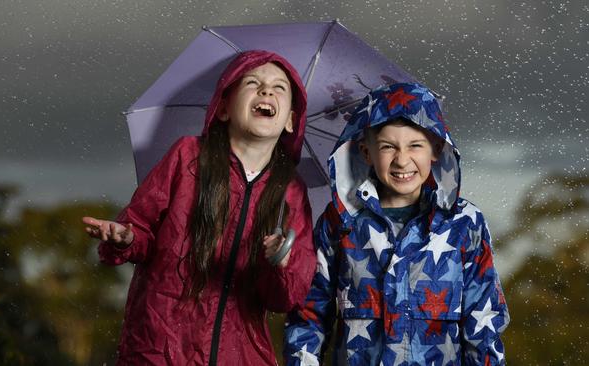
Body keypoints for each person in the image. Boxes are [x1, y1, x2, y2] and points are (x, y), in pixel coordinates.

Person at [82, 50, 316, 365]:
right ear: (222, 107)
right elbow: (141, 228)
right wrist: (127, 237)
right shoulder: (187, 156)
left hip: (240, 355)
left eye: (279, 88)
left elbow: (285, 298)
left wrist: (280, 263)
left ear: (290, 120)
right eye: (253, 83)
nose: (266, 91)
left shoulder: (290, 191)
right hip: (161, 347)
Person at [284, 83, 509, 365]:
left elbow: (483, 326)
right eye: (388, 147)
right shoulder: (339, 222)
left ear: (437, 149)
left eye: (415, 145)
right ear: (366, 152)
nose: (402, 160)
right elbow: (309, 317)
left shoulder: (465, 225)